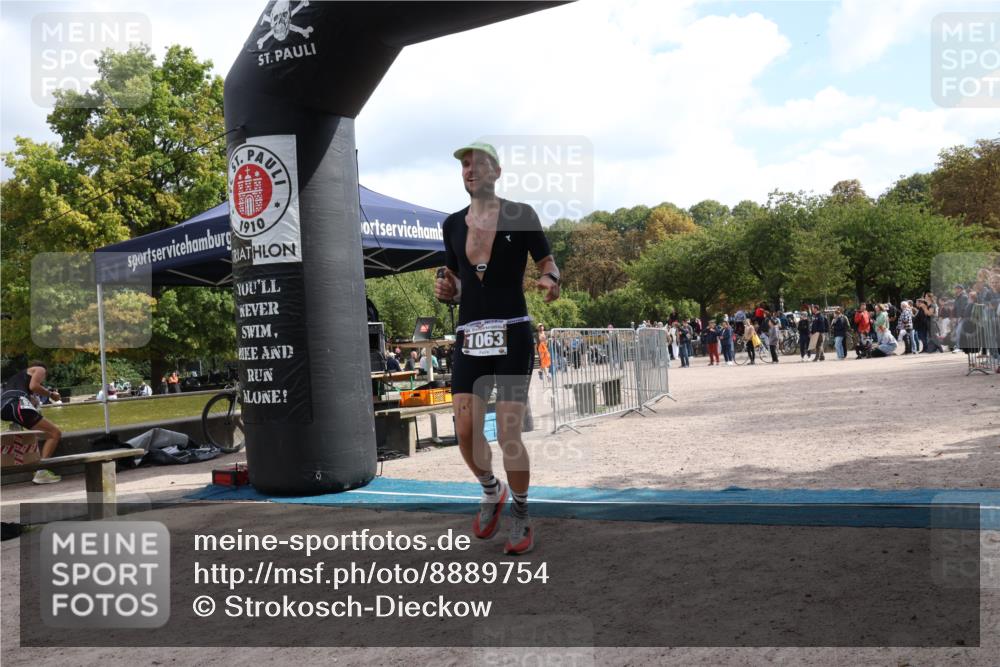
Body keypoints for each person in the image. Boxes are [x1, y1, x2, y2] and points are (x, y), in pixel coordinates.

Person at [434, 141, 560, 556]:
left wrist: (550, 281)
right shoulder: (452, 224)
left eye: (478, 164)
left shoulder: (520, 214)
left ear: (497, 171)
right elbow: (454, 284)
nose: (470, 171)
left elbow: (548, 262)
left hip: (512, 331)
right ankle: (493, 491)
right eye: (465, 166)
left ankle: (522, 512)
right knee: (466, 432)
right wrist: (445, 290)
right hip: (471, 334)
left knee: (508, 432)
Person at [0, 362, 63, 484]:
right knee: (55, 433)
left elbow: (27, 392)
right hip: (17, 405)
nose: (42, 378)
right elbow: (34, 386)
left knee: (29, 433)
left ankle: (15, 428)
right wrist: (51, 394)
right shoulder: (40, 368)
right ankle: (41, 472)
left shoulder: (17, 378)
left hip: (5, 408)